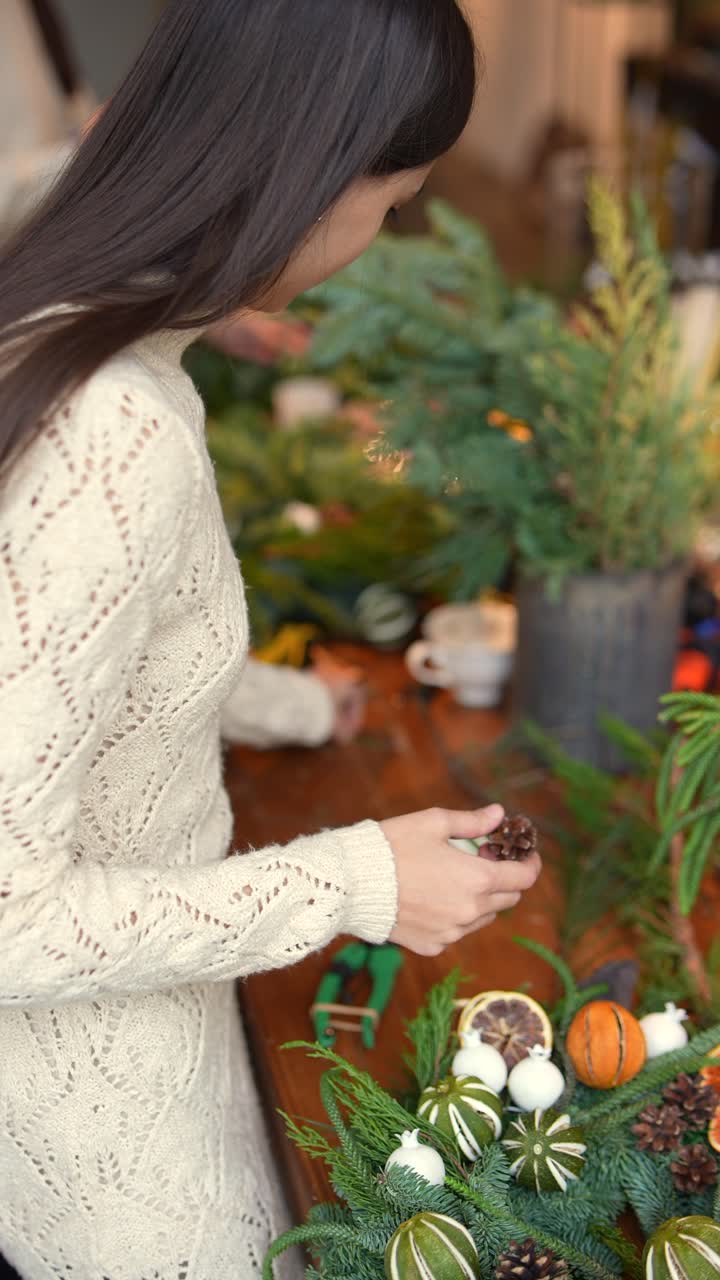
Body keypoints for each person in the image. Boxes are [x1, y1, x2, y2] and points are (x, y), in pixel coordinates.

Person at [0, 2, 542, 1277]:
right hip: (123, 1170)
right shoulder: (114, 433)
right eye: (391, 201)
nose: (374, 239)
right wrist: (363, 879)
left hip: (135, 1071)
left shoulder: (59, 317)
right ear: (306, 172)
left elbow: (84, 667)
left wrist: (300, 710)